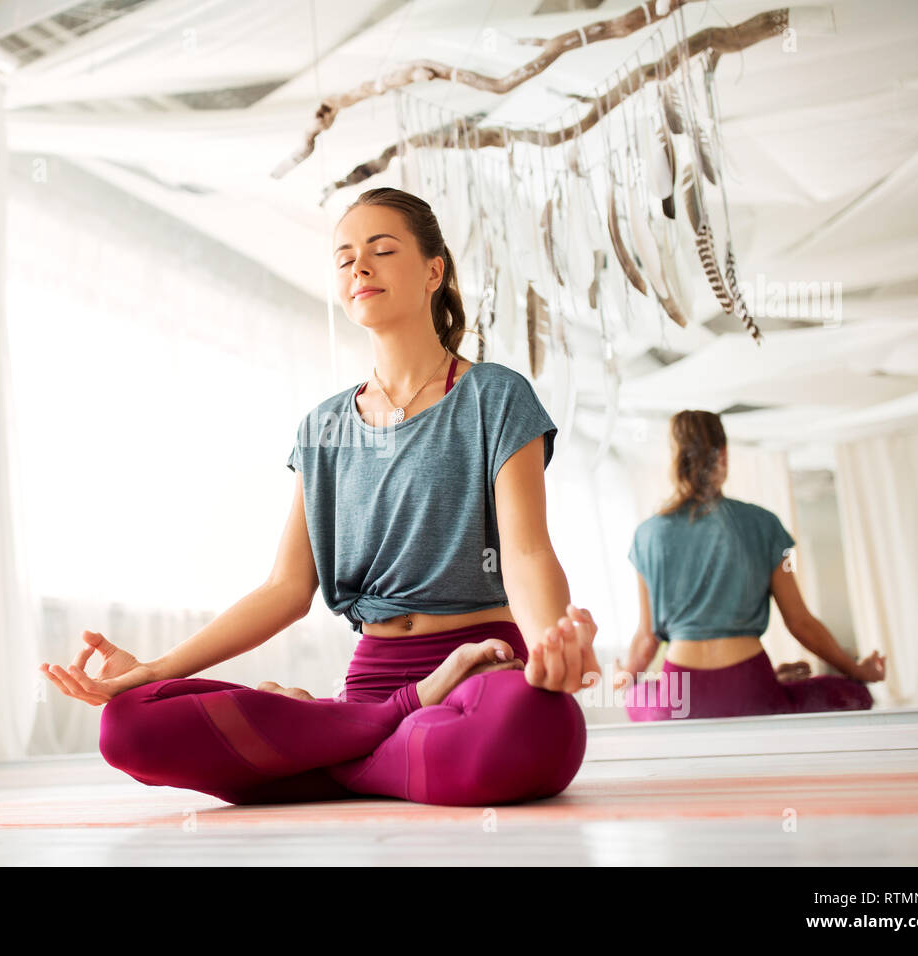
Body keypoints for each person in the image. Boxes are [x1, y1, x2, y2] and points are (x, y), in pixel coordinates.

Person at [39, 187, 600, 806]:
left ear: (433, 271)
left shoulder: (495, 396)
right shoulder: (323, 427)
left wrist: (550, 646)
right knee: (129, 725)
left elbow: (523, 555)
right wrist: (153, 670)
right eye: (344, 257)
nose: (360, 265)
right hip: (375, 681)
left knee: (534, 726)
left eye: (382, 251)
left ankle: (327, 748)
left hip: (479, 667)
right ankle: (394, 722)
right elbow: (285, 589)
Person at [614, 410, 885, 720]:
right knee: (856, 695)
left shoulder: (647, 535)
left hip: (681, 700)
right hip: (750, 688)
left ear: (674, 459)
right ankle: (770, 686)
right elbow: (800, 622)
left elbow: (647, 639)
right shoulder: (764, 524)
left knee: (636, 695)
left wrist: (624, 676)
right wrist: (857, 669)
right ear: (724, 456)